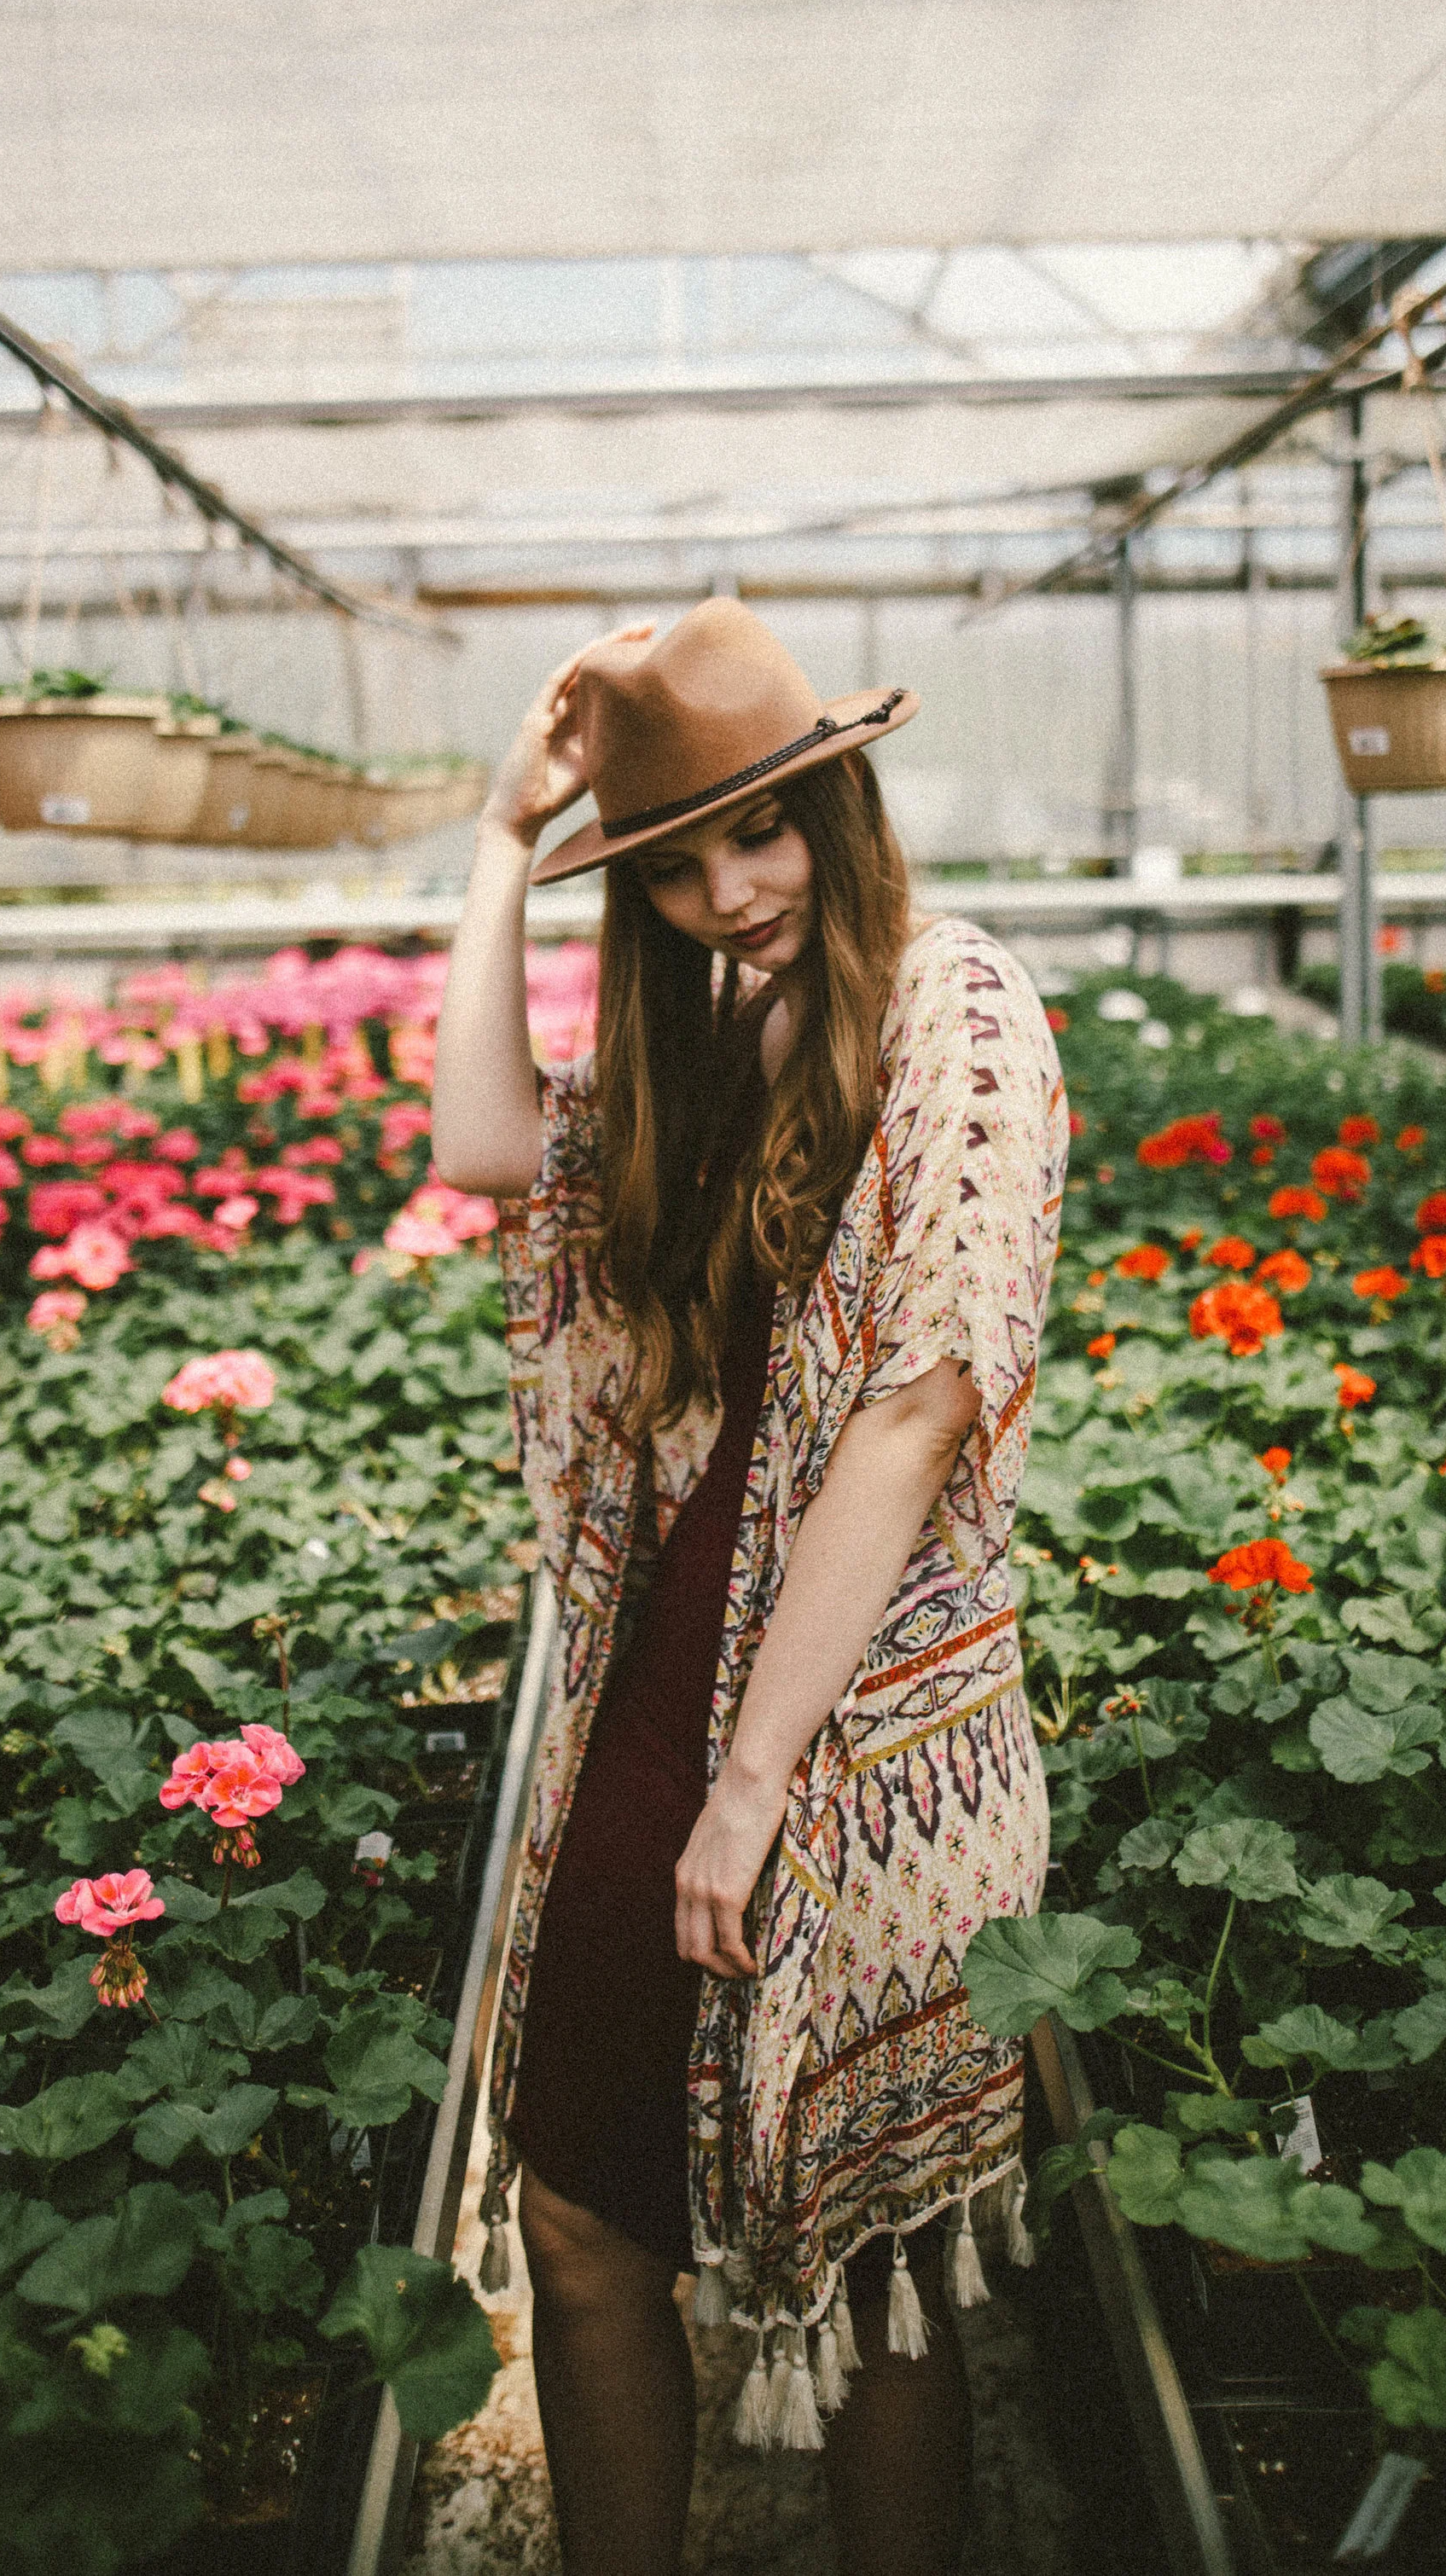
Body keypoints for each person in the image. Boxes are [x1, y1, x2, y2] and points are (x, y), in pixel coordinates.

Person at [431, 600, 1068, 2576]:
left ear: (836, 802)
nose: (726, 893)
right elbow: (475, 1143)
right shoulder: (696, 1044)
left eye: (762, 833)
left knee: (867, 2269)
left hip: (872, 1730)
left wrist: (752, 1781)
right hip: (655, 1688)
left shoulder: (957, 1007)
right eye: (679, 862)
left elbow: (910, 1411)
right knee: (578, 2215)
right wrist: (493, 841)